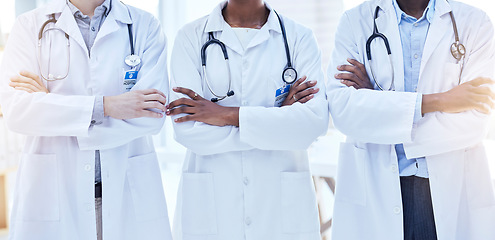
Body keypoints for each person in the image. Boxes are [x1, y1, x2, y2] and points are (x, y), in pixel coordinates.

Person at [0, 0, 172, 239]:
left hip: (126, 193)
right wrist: (108, 106)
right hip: (55, 193)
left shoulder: (144, 26)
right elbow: (18, 113)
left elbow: (152, 116)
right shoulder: (29, 26)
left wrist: (52, 106)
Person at [327, 0, 495, 239]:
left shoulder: (475, 23)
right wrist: (440, 101)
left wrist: (379, 106)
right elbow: (344, 112)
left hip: (450, 192)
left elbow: (474, 122)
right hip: (378, 188)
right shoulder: (355, 21)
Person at [166, 0, 329, 239]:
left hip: (278, 206)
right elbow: (189, 131)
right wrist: (278, 121)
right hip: (213, 204)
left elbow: (312, 124)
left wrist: (224, 115)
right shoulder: (190, 37)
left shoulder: (299, 38)